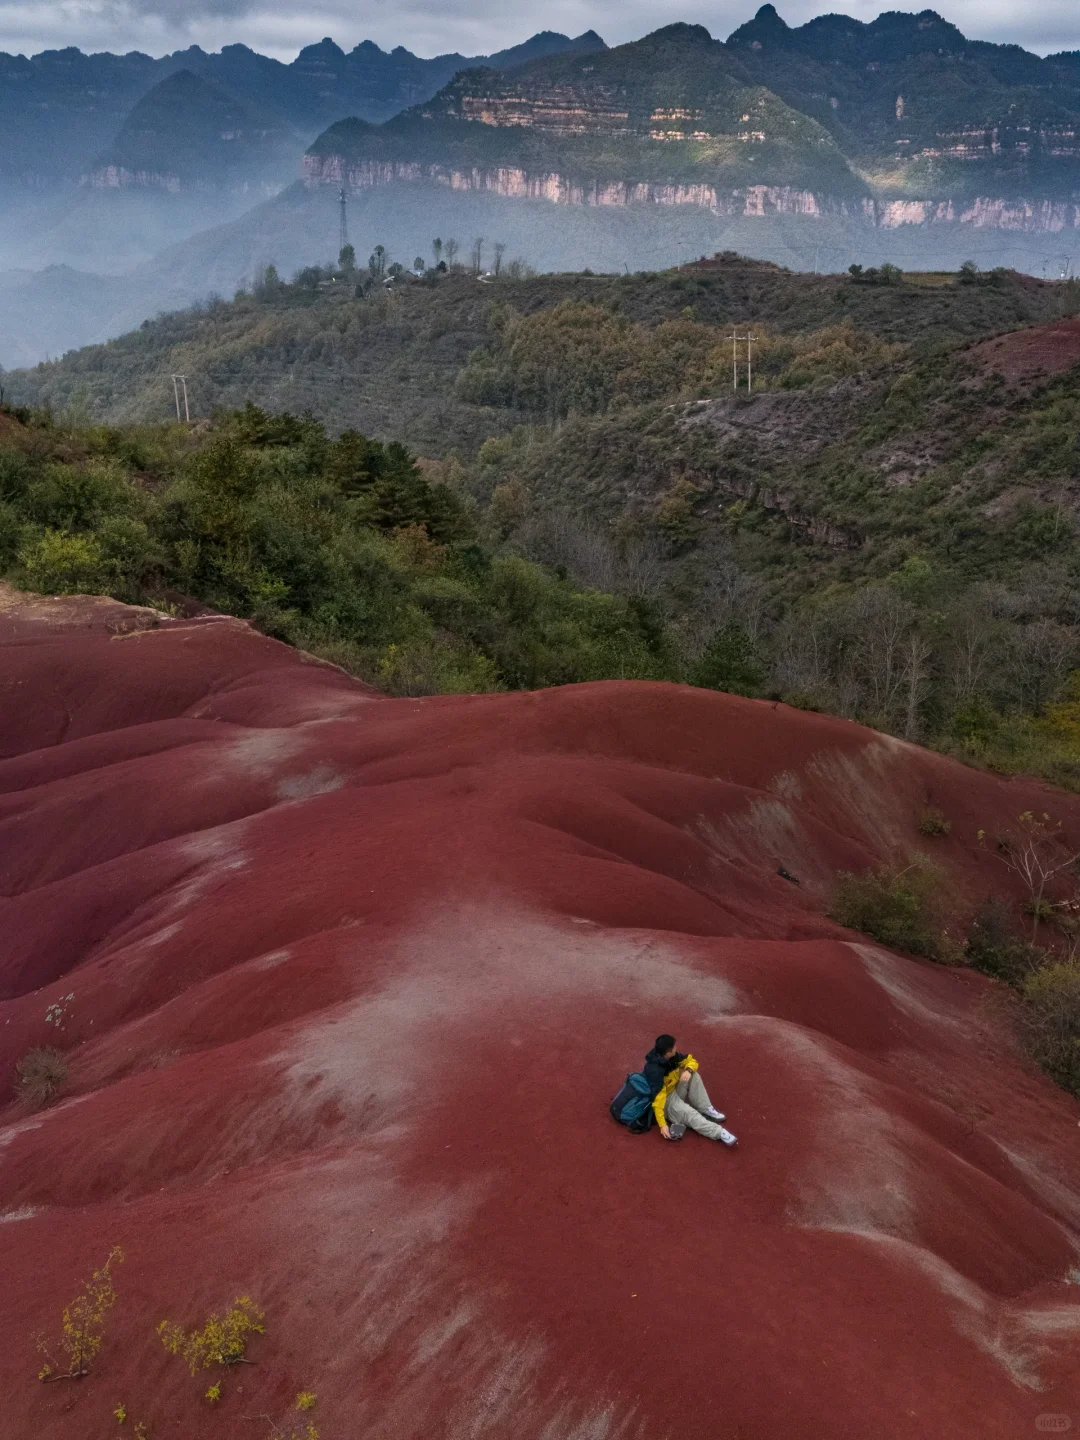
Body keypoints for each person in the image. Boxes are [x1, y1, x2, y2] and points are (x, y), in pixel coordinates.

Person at [643, 1034, 736, 1145]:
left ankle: (705, 1108)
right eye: (674, 1047)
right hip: (665, 1100)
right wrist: (662, 1125)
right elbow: (657, 1101)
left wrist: (689, 1071)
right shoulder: (655, 1071)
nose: (676, 1048)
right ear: (668, 1053)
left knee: (693, 1075)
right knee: (689, 1113)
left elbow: (692, 1061)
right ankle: (719, 1132)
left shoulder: (671, 1056)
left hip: (672, 1089)